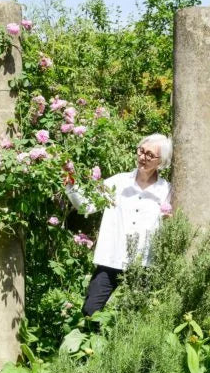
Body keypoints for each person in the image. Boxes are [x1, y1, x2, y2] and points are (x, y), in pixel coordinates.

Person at [64, 133, 173, 317]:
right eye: (141, 151)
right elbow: (87, 204)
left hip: (144, 264)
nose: (142, 157)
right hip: (112, 258)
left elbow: (172, 224)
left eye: (149, 155)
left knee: (136, 317)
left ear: (161, 162)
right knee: (90, 311)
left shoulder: (166, 191)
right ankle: (95, 345)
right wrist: (71, 185)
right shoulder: (118, 182)